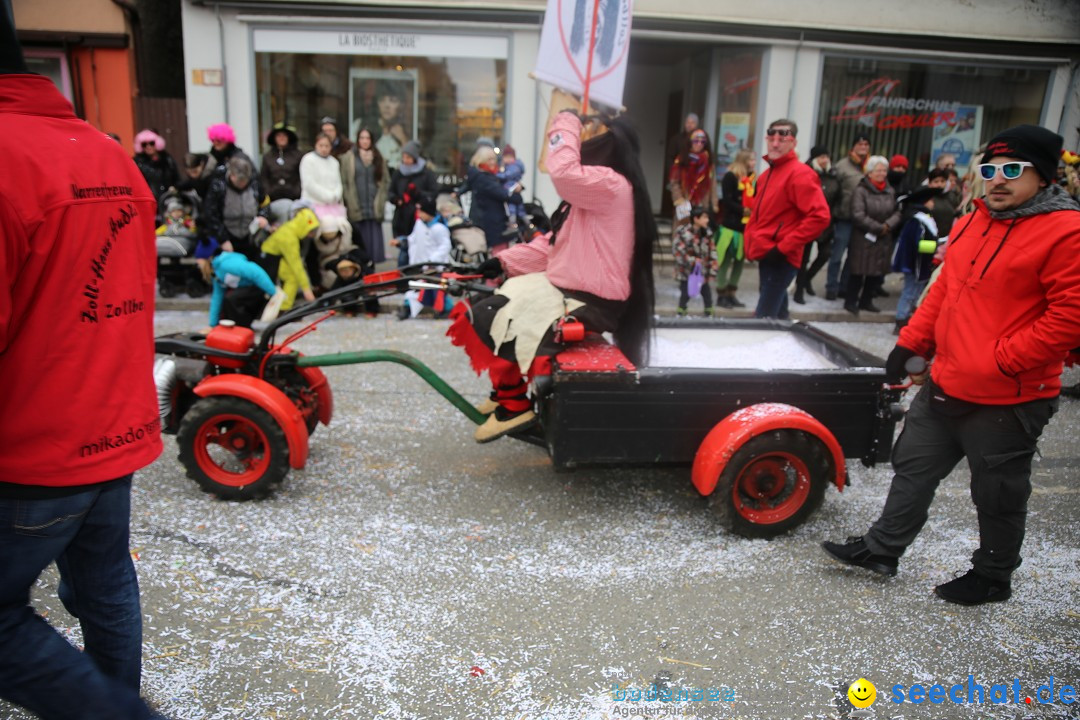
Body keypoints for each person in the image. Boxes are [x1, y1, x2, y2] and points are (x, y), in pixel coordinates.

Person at [822, 124, 1080, 606]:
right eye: (989, 169)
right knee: (912, 467)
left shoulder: (1067, 230)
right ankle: (882, 549)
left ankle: (993, 576)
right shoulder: (971, 221)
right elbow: (942, 292)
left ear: (1042, 177)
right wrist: (910, 344)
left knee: (998, 492)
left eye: (1012, 170)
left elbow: (1070, 317)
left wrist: (1001, 360)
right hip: (946, 382)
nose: (997, 180)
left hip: (1009, 397)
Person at [0, 20, 168, 718]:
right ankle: (117, 694)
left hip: (33, 449)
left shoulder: (7, 159)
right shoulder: (110, 156)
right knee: (104, 588)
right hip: (115, 431)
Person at [447, 90, 657, 443]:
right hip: (571, 286)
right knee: (490, 302)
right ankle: (507, 392)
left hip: (591, 298)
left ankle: (514, 405)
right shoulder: (596, 189)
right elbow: (553, 246)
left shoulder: (612, 185)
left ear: (609, 139)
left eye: (589, 128)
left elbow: (562, 171)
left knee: (499, 314)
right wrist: (501, 262)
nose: (582, 134)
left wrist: (566, 118)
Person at [743, 119, 829, 319]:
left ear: (793, 142)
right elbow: (760, 218)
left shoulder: (800, 174)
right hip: (767, 254)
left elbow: (820, 217)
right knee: (778, 319)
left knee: (763, 320)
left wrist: (783, 248)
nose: (775, 143)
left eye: (782, 138)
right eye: (771, 138)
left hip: (782, 258)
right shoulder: (766, 176)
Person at [844, 155, 900, 315]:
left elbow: (897, 212)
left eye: (884, 170)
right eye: (879, 170)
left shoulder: (890, 190)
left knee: (876, 271)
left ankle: (866, 301)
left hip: (883, 237)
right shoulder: (861, 190)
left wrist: (888, 225)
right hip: (864, 236)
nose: (882, 173)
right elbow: (857, 214)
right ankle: (851, 301)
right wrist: (878, 227)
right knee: (858, 271)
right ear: (869, 172)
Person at [890, 185, 942, 334]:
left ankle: (907, 319)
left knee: (915, 292)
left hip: (920, 263)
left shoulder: (924, 219)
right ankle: (901, 320)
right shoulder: (917, 220)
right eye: (931, 201)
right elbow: (916, 243)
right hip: (915, 263)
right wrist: (935, 246)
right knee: (909, 293)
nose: (933, 204)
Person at [825, 133, 870, 300]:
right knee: (837, 255)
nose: (863, 147)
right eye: (860, 144)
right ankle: (831, 287)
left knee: (853, 257)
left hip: (862, 220)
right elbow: (832, 190)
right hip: (844, 217)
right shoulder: (842, 166)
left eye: (866, 144)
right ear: (853, 147)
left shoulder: (870, 166)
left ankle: (844, 287)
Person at [199, 154, 270, 261]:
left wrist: (263, 215)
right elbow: (211, 214)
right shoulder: (218, 186)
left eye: (245, 180)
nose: (242, 184)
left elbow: (265, 202)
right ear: (231, 176)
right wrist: (223, 239)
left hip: (251, 235)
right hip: (228, 236)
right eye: (239, 181)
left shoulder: (254, 184)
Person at [794, 145, 840, 304]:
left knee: (825, 254)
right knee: (803, 258)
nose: (824, 160)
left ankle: (807, 278)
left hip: (826, 223)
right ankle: (799, 289)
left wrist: (833, 216)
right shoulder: (806, 173)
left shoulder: (833, 174)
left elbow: (837, 198)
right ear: (814, 159)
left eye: (826, 157)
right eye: (821, 157)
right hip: (807, 222)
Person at [397, 194, 454, 319]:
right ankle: (407, 308)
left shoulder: (439, 228)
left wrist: (433, 260)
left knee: (436, 291)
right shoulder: (419, 224)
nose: (418, 214)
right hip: (419, 264)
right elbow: (413, 239)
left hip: (433, 267)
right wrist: (402, 242)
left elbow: (445, 246)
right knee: (415, 288)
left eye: (421, 211)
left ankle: (446, 309)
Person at [340, 127, 389, 265]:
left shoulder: (379, 158)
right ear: (357, 139)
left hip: (374, 206)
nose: (365, 141)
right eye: (362, 138)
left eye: (367, 138)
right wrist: (348, 200)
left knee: (373, 244)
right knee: (359, 240)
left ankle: (372, 269)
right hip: (357, 205)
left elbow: (385, 182)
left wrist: (381, 199)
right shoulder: (349, 158)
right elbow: (345, 182)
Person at [259, 206, 320, 311]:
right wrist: (306, 289)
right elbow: (296, 264)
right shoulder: (289, 238)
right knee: (292, 277)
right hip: (270, 260)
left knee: (292, 275)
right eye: (310, 231)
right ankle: (283, 308)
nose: (311, 235)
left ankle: (283, 306)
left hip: (271, 257)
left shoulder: (290, 230)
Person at [715, 148, 755, 308]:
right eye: (751, 159)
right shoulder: (730, 177)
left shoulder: (751, 179)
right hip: (730, 228)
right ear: (744, 161)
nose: (754, 163)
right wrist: (743, 209)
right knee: (725, 262)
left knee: (739, 263)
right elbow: (727, 201)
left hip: (745, 228)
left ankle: (732, 294)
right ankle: (721, 294)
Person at [206, 249, 283, 329]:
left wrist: (273, 292)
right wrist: (212, 325)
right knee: (227, 301)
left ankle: (242, 328)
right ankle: (237, 327)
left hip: (259, 288)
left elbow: (256, 272)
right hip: (248, 291)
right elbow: (217, 297)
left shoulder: (226, 265)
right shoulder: (216, 274)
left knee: (232, 299)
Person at [388, 140, 439, 260]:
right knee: (403, 249)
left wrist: (419, 196)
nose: (405, 160)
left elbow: (434, 193)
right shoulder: (398, 173)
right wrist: (396, 199)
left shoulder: (426, 174)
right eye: (404, 157)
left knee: (418, 249)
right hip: (402, 217)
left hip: (419, 217)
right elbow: (391, 192)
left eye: (408, 157)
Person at [461, 144, 515, 252]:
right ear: (481, 160)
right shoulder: (484, 178)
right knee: (498, 255)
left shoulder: (479, 176)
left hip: (485, 220)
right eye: (489, 159)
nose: (492, 162)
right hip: (491, 222)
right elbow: (503, 194)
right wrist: (515, 193)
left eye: (494, 159)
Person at [672, 206, 718, 316]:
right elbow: (678, 251)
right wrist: (692, 260)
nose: (707, 220)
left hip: (702, 270)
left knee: (706, 292)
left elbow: (712, 250)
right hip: (686, 270)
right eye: (704, 217)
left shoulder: (707, 233)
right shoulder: (683, 232)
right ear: (696, 219)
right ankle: (681, 311)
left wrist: (713, 265)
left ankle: (709, 311)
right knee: (685, 292)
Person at [668, 128, 718, 229]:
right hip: (685, 201)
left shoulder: (708, 161)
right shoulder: (681, 159)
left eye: (702, 141)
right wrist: (679, 199)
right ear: (690, 142)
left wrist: (714, 203)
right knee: (683, 232)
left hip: (702, 203)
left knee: (700, 234)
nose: (699, 144)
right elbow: (674, 182)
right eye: (696, 141)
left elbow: (713, 183)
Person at [299, 132, 346, 224]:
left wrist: (336, 195)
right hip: (313, 204)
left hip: (333, 205)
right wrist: (327, 196)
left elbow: (338, 183)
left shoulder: (334, 162)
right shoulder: (308, 160)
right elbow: (309, 184)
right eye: (321, 145)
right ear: (315, 145)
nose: (324, 149)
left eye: (327, 146)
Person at [132, 128, 179, 210]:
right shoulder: (138, 162)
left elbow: (176, 177)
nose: (148, 147)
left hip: (167, 201)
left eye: (151, 143)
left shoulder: (167, 159)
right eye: (144, 144)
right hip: (149, 203)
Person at [259, 122, 303, 202]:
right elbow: (264, 178)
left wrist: (296, 192)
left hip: (295, 199)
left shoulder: (298, 156)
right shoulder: (268, 157)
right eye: (279, 136)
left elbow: (302, 176)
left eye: (284, 135)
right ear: (274, 138)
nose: (281, 138)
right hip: (273, 199)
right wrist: (269, 192)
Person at [375, 82, 408, 170]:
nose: (387, 106)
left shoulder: (406, 131)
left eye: (393, 100)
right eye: (382, 100)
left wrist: (403, 139)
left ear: (401, 105)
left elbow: (411, 160)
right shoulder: (362, 125)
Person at [498, 144, 528, 227]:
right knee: (514, 209)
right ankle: (521, 223)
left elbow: (506, 176)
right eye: (506, 157)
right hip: (510, 190)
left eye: (509, 157)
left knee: (514, 209)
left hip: (511, 190)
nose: (507, 159)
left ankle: (516, 224)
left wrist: (497, 175)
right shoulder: (506, 167)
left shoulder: (514, 167)